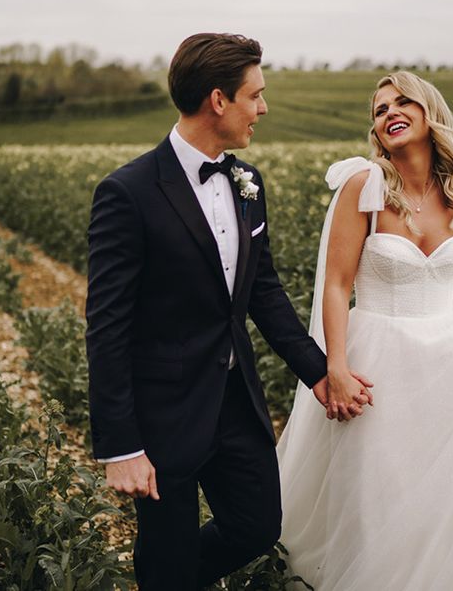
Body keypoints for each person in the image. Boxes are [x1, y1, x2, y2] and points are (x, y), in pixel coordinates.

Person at [85, 33, 372, 590]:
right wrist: (120, 447)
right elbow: (107, 326)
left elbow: (261, 291)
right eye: (255, 96)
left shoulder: (247, 183)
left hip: (236, 403)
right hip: (162, 412)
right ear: (219, 100)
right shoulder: (126, 192)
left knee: (258, 527)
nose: (263, 109)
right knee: (166, 553)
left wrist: (319, 373)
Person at [277, 71, 453, 590]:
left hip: (447, 362)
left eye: (401, 102)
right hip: (379, 362)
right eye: (378, 109)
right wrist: (337, 366)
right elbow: (336, 284)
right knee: (377, 494)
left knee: (438, 493)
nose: (388, 112)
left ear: (427, 111)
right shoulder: (363, 185)